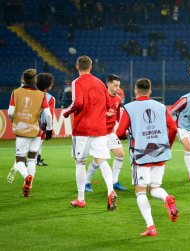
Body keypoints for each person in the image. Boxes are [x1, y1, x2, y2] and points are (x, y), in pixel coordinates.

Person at [116, 78, 178, 237]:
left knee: (140, 191)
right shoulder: (161, 106)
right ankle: (167, 198)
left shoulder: (129, 108)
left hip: (141, 156)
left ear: (135, 91)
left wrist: (123, 135)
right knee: (155, 188)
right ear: (150, 91)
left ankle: (151, 226)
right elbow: (173, 128)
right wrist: (167, 146)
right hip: (160, 153)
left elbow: (120, 132)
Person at [63, 55, 117, 210]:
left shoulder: (77, 82)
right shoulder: (100, 83)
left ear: (77, 66)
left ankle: (81, 198)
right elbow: (108, 104)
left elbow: (78, 102)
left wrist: (67, 112)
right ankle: (110, 190)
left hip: (82, 129)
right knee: (102, 160)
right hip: (99, 129)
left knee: (80, 162)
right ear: (91, 67)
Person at [7, 69, 53, 197]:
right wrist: (49, 129)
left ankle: (27, 176)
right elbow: (48, 115)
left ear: (23, 79)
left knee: (20, 160)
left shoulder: (16, 92)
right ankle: (29, 187)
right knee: (32, 159)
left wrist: (15, 120)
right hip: (36, 131)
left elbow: (10, 112)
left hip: (22, 130)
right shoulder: (41, 95)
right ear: (35, 80)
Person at [85, 74, 127, 192]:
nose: (117, 88)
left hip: (110, 133)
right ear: (108, 84)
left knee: (120, 154)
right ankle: (86, 182)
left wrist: (120, 130)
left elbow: (118, 116)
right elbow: (91, 113)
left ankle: (114, 181)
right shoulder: (100, 97)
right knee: (99, 160)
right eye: (115, 85)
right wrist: (104, 114)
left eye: (118, 85)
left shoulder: (118, 99)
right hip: (99, 134)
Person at [36, 73, 55, 167]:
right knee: (39, 142)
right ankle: (36, 160)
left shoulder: (29, 94)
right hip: (41, 125)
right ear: (49, 84)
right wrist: (49, 129)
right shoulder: (50, 98)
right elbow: (49, 114)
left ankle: (35, 159)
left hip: (26, 123)